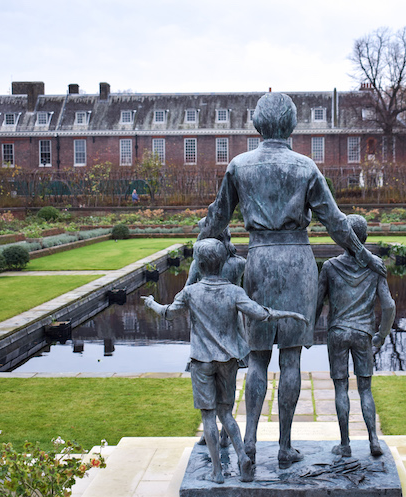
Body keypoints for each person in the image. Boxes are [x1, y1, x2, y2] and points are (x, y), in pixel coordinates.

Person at [197, 92, 386, 467]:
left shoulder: (239, 165)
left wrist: (199, 249)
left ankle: (249, 440)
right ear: (293, 125)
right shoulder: (305, 167)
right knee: (291, 360)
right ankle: (283, 447)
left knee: (256, 359)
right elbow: (336, 223)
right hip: (298, 263)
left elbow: (216, 222)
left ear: (257, 124)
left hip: (260, 259)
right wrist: (365, 256)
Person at [141, 238, 307, 484]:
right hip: (228, 360)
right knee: (226, 413)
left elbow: (168, 313)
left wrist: (152, 303)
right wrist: (291, 313)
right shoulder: (234, 291)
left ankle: (217, 472)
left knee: (208, 416)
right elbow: (261, 314)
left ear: (199, 264)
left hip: (201, 361)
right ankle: (242, 456)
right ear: (222, 262)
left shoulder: (191, 292)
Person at [316, 215, 396, 458]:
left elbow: (317, 304)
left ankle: (345, 443)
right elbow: (389, 307)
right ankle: (373, 440)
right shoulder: (375, 266)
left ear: (343, 238)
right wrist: (381, 335)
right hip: (363, 334)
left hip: (338, 333)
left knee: (341, 389)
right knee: (365, 390)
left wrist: (308, 331)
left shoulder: (330, 267)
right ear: (365, 237)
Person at [186, 221, 246, 448]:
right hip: (232, 327)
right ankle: (223, 434)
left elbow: (188, 290)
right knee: (227, 385)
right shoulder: (239, 263)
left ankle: (210, 432)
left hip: (205, 329)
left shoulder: (198, 264)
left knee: (208, 387)